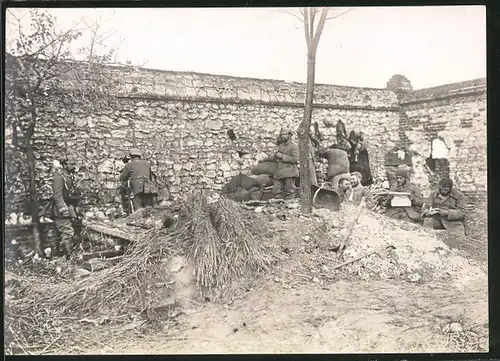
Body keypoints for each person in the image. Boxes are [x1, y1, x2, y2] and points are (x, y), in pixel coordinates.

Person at [51, 158, 81, 258]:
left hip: (67, 207)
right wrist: (64, 210)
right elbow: (57, 195)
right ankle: (70, 257)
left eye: (74, 164)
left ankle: (55, 257)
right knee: (67, 232)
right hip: (60, 211)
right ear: (64, 165)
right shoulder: (59, 178)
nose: (74, 166)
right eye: (71, 164)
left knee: (56, 234)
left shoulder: (68, 177)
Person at [258, 128, 299, 199]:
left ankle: (291, 205)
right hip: (280, 172)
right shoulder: (281, 147)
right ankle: (277, 204)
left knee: (290, 191)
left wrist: (282, 156)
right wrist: (264, 159)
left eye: (284, 134)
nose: (282, 136)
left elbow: (295, 159)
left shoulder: (294, 147)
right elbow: (275, 157)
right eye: (281, 134)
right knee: (276, 191)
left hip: (290, 172)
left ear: (289, 135)